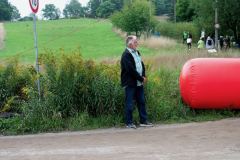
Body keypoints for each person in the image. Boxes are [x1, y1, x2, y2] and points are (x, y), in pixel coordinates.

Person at [120, 35, 153, 129]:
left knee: (141, 101)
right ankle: (129, 123)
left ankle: (143, 121)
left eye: (136, 42)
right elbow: (130, 70)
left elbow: (141, 64)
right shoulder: (126, 54)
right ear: (130, 44)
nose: (137, 43)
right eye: (135, 42)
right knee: (129, 103)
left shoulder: (137, 52)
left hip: (139, 82)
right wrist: (141, 78)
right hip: (130, 83)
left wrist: (144, 76)